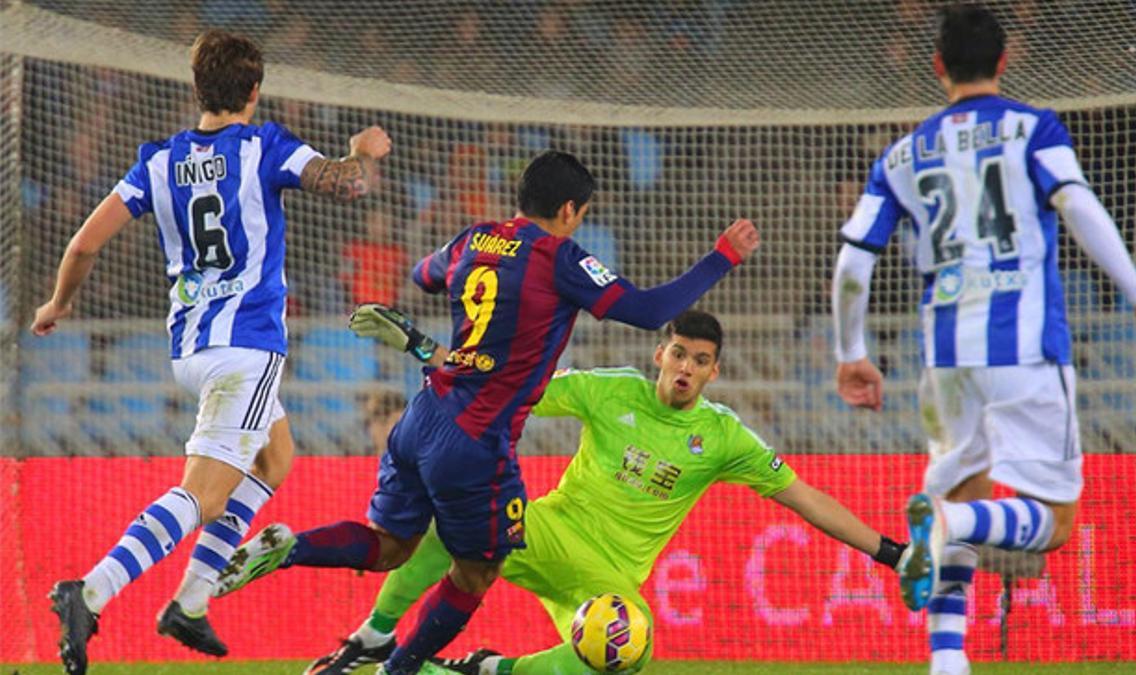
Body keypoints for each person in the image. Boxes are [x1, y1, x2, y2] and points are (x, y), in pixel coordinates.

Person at [213, 151, 760, 675]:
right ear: (570, 211)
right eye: (581, 214)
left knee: (390, 546)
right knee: (477, 572)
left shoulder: (473, 238)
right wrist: (722, 257)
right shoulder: (558, 256)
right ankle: (400, 669)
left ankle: (292, 546)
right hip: (474, 438)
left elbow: (424, 276)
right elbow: (649, 311)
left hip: (423, 415)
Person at [829, 6, 1136, 675]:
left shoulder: (901, 154)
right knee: (1055, 523)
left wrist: (852, 351)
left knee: (957, 490)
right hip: (1024, 350)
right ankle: (953, 527)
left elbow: (852, 261)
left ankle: (947, 661)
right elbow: (1076, 204)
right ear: (1005, 60)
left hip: (945, 360)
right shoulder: (1033, 127)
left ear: (937, 67)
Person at [31, 29, 392, 674]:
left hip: (191, 346)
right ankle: (90, 591)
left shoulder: (158, 161)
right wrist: (362, 153)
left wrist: (58, 305)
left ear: (198, 89)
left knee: (276, 457)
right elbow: (347, 186)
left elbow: (84, 244)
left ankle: (191, 602)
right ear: (253, 91)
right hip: (246, 349)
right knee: (203, 494)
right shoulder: (264, 145)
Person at [296, 309, 910, 675]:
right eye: (678, 353)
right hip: (545, 532)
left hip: (607, 579)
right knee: (444, 526)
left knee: (631, 649)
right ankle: (372, 638)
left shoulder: (724, 437)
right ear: (659, 353)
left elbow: (805, 498)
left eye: (700, 360)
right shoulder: (610, 390)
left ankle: (488, 669)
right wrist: (426, 350)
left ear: (714, 371)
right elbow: (512, 383)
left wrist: (891, 553)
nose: (686, 368)